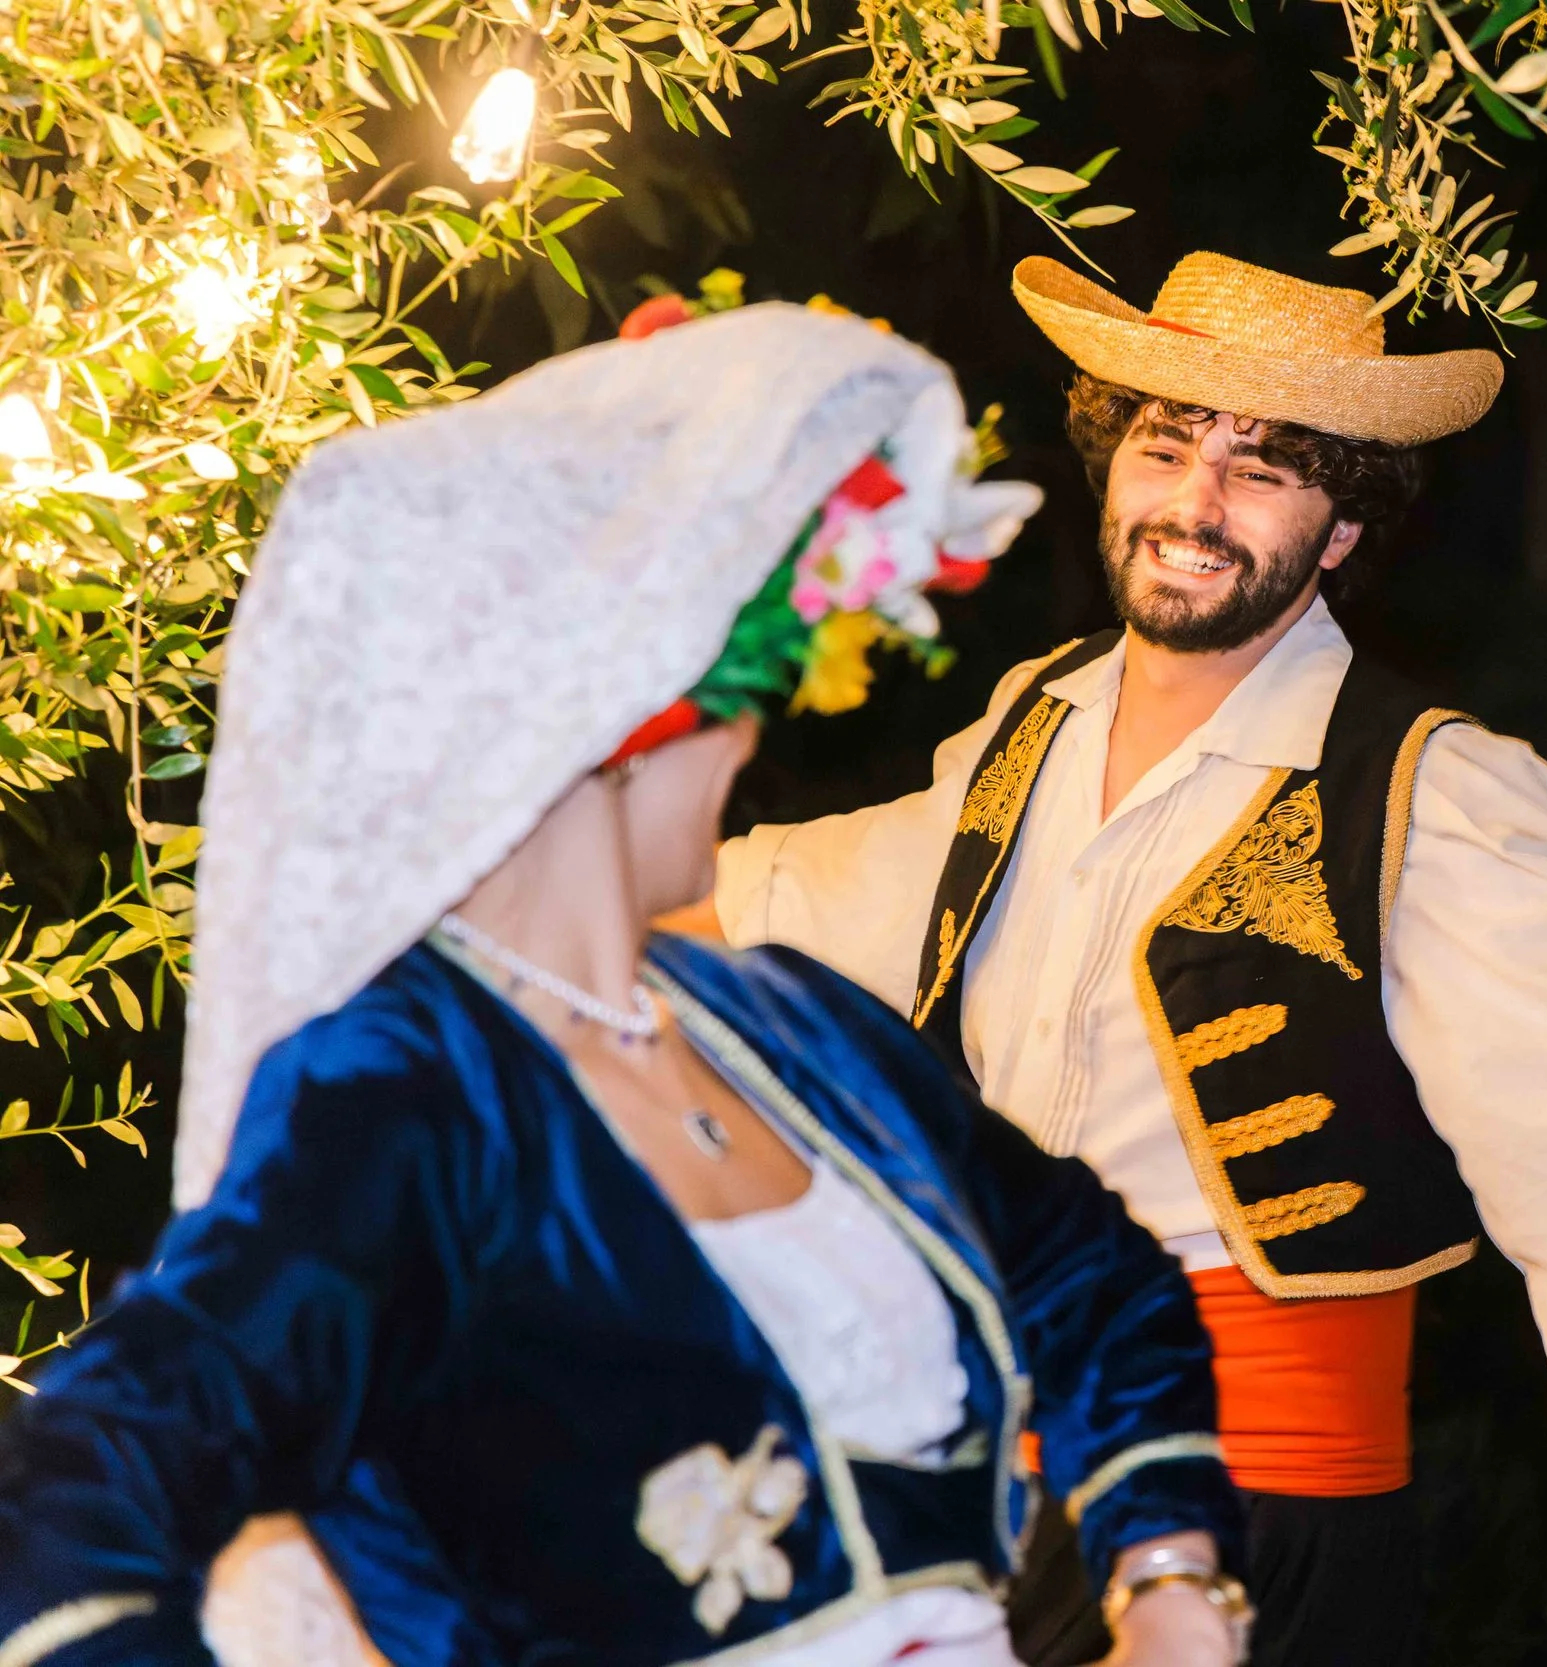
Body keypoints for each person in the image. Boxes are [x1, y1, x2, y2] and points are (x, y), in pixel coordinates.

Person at [701, 252, 1547, 1667]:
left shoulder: (1432, 791)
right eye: (1167, 446)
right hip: (996, 1491)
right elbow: (797, 892)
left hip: (1260, 1515)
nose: (1196, 503)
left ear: (1343, 523)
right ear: (1111, 466)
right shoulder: (1025, 727)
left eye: (1263, 470)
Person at [0, 302, 1249, 1667]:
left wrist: (1173, 1579)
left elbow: (1095, 1269)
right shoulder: (402, 1090)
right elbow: (76, 1493)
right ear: (614, 714)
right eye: (750, 687)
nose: (758, 736)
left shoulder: (793, 1024)